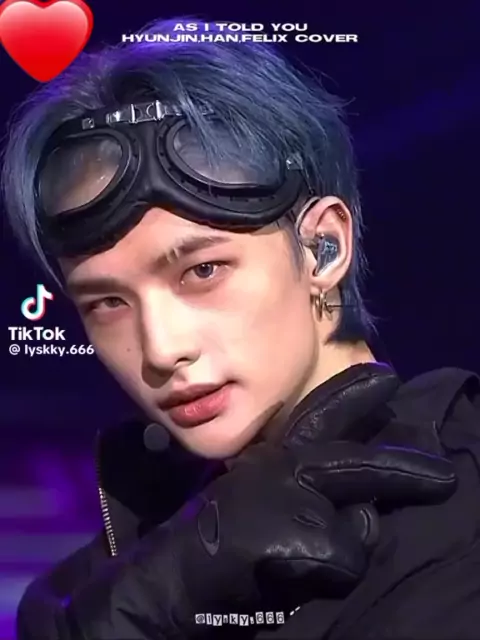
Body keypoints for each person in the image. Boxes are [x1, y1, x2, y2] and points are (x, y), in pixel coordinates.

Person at [2, 16, 480, 640]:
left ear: (323, 249)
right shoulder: (97, 584)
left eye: (203, 270)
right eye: (107, 302)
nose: (162, 349)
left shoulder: (459, 514)